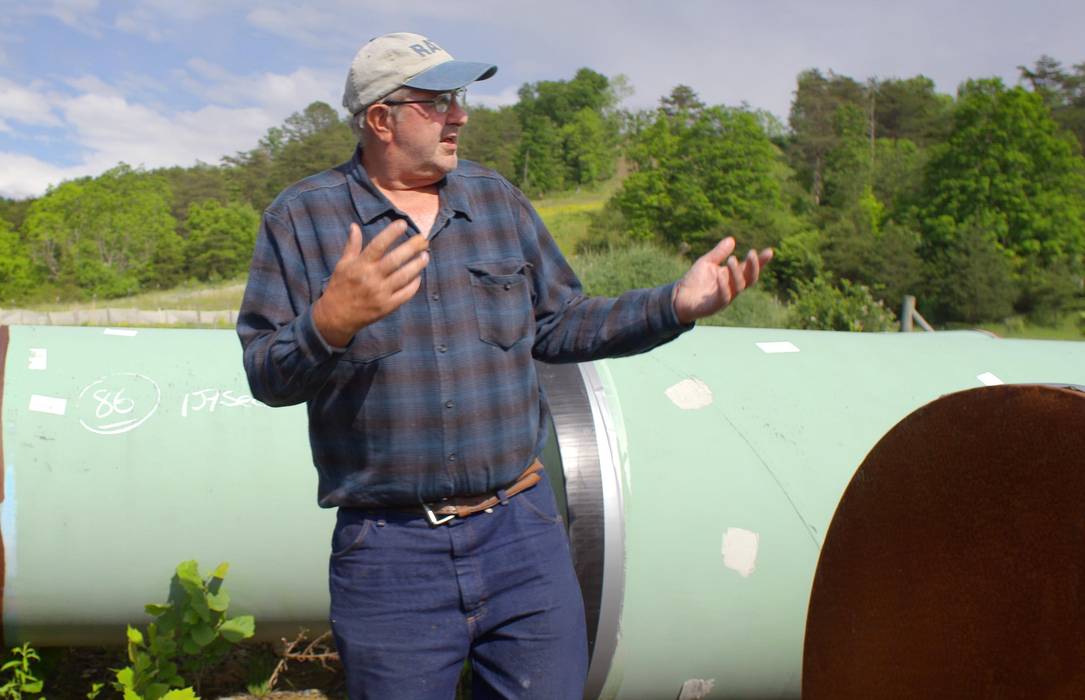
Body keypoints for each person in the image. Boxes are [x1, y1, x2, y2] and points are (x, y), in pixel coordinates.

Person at [237, 32, 772, 699]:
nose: (459, 115)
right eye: (436, 102)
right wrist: (330, 322)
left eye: (458, 98)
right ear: (380, 118)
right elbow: (265, 374)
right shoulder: (302, 219)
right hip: (390, 555)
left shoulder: (495, 201)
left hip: (522, 535)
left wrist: (674, 304)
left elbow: (558, 324)